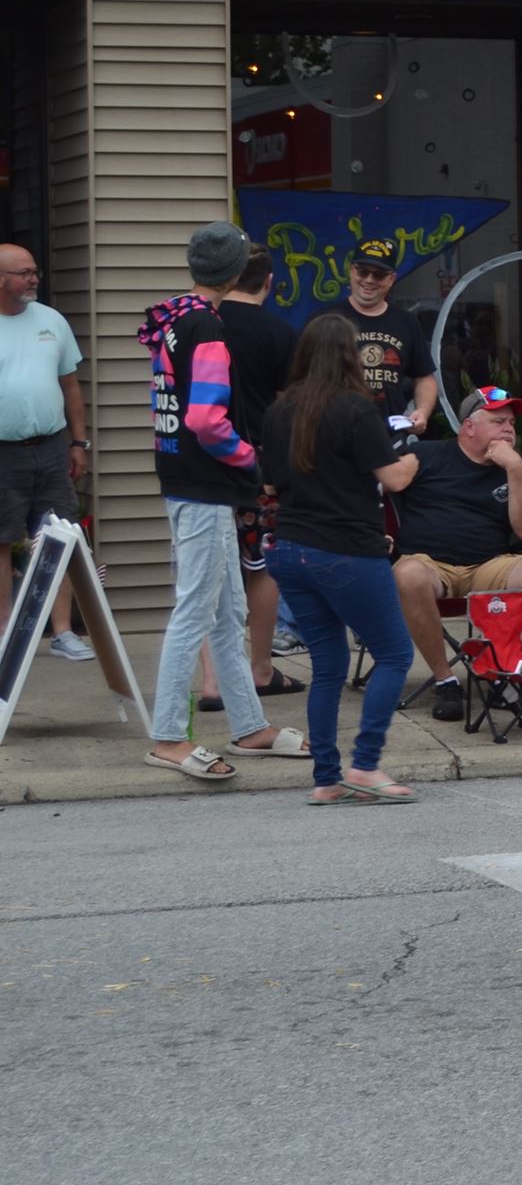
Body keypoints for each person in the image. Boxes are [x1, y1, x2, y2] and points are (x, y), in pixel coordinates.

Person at [138, 222, 306, 783]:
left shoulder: (176, 318)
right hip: (206, 485)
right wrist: (250, 462)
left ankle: (250, 724)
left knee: (228, 610)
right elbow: (207, 419)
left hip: (184, 477)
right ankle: (166, 736)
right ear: (237, 274)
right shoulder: (207, 328)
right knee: (194, 611)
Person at [262, 316, 423, 805]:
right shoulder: (355, 409)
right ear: (350, 355)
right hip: (347, 550)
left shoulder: (279, 410)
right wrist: (414, 458)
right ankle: (367, 766)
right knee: (394, 654)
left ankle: (327, 778)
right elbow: (393, 480)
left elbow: (269, 486)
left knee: (328, 665)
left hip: (290, 550)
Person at [395, 386, 522, 723]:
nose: (508, 429)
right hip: (430, 564)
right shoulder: (427, 455)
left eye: (511, 423)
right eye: (498, 421)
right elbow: (379, 481)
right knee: (407, 574)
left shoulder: (520, 466)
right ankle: (445, 680)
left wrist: (513, 468)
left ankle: (509, 670)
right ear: (468, 426)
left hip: (490, 565)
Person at [211, 244, 304, 702]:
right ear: (269, 282)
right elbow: (290, 402)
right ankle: (260, 669)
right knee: (260, 566)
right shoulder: (279, 331)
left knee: (209, 566)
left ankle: (211, 682)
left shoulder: (201, 323)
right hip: (259, 462)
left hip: (202, 460)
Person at [0, 242, 93, 661]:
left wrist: (78, 442)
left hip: (52, 448)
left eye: (35, 270)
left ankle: (61, 631)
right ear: (1, 280)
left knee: (58, 537)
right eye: (24, 272)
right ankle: (4, 632)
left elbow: (70, 387)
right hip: (3, 452)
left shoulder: (52, 321)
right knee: (1, 541)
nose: (34, 278)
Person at [319, 237, 436, 432]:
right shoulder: (325, 319)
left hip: (389, 437)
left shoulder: (406, 323)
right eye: (363, 271)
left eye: (379, 275)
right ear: (351, 270)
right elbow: (301, 381)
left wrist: (422, 411)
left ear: (391, 279)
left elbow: (424, 377)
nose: (369, 280)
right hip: (335, 435)